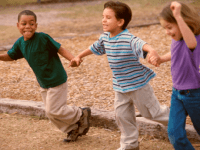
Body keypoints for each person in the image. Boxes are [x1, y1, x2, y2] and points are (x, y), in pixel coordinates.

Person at [70, 1, 169, 150]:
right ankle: (130, 145)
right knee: (122, 116)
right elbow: (94, 47)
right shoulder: (105, 37)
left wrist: (152, 51)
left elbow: (141, 44)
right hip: (120, 86)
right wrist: (78, 56)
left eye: (108, 17)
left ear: (120, 22)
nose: (103, 20)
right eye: (103, 16)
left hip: (138, 85)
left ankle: (175, 118)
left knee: (152, 114)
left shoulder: (128, 38)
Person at [0, 10, 91, 142]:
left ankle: (81, 113)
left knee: (53, 110)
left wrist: (73, 59)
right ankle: (72, 128)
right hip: (43, 83)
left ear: (36, 26)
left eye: (31, 23)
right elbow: (10, 56)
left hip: (56, 79)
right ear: (18, 25)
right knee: (51, 113)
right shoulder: (20, 43)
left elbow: (60, 49)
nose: (27, 26)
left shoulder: (43, 38)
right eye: (24, 23)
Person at [151, 1, 200, 150]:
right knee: (174, 134)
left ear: (184, 22)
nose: (167, 32)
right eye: (165, 28)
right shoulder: (176, 40)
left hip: (194, 95)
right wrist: (161, 58)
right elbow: (175, 52)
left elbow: (191, 44)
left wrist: (178, 16)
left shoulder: (193, 39)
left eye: (169, 27)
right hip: (177, 93)